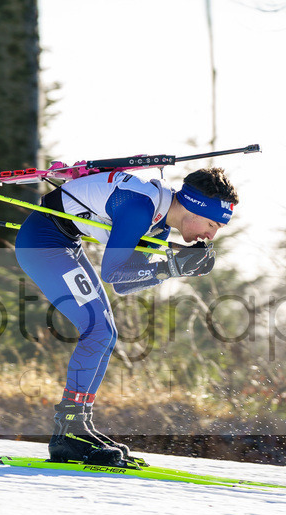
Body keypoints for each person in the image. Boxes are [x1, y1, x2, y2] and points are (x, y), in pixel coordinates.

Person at [14, 166, 239, 469]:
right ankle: (69, 431)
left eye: (216, 230)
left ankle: (77, 427)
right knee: (97, 331)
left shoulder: (158, 224)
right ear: (193, 207)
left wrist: (174, 268)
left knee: (105, 334)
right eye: (211, 224)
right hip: (43, 244)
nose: (210, 235)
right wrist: (170, 268)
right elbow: (113, 272)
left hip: (64, 243)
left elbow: (124, 282)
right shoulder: (139, 207)